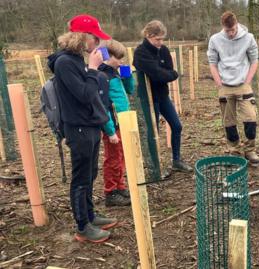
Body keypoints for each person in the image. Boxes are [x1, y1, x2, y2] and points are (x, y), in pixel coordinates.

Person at [47, 14, 118, 243]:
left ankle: (90, 215)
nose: (97, 44)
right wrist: (92, 69)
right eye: (95, 38)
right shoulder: (65, 63)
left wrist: (93, 70)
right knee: (80, 178)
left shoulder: (77, 60)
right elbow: (86, 94)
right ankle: (82, 226)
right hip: (77, 127)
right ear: (83, 36)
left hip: (89, 125)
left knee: (90, 174)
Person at [133, 20, 193, 173]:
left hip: (163, 95)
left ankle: (176, 160)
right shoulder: (140, 53)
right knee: (153, 133)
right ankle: (154, 167)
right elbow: (159, 74)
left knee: (177, 126)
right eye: (157, 39)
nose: (160, 42)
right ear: (148, 35)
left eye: (162, 39)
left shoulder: (164, 50)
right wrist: (165, 74)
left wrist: (165, 74)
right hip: (148, 98)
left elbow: (170, 73)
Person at [207, 11, 259, 164]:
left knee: (251, 118)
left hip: (243, 85)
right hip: (225, 86)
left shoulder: (248, 38)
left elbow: (254, 60)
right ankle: (235, 150)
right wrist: (219, 83)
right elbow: (212, 62)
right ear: (223, 27)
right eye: (227, 30)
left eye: (233, 30)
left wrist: (248, 80)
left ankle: (250, 150)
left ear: (237, 24)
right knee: (229, 122)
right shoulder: (215, 40)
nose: (231, 33)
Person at [98, 39, 135, 206]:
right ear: (108, 56)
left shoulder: (115, 73)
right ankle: (110, 192)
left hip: (123, 121)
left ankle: (120, 187)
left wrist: (127, 75)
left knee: (121, 156)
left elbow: (130, 90)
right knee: (113, 158)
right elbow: (103, 105)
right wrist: (110, 130)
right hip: (112, 124)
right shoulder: (103, 76)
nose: (121, 61)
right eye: (118, 58)